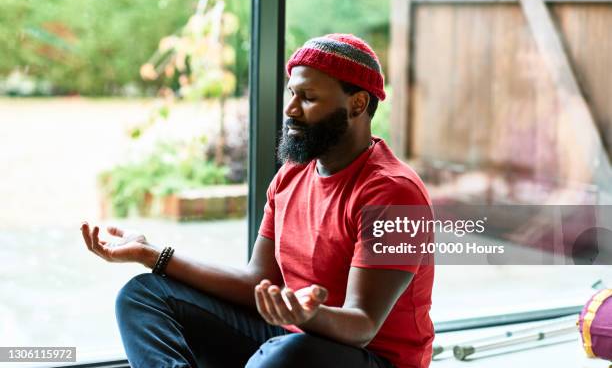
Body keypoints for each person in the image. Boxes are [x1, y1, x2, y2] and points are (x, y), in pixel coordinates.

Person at [80, 33, 435, 368]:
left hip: (368, 358)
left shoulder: (394, 193)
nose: (291, 110)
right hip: (290, 338)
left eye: (308, 98)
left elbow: (362, 326)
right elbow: (256, 280)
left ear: (357, 104)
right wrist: (152, 255)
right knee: (144, 295)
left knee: (285, 356)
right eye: (291, 94)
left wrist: (306, 315)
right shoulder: (291, 176)